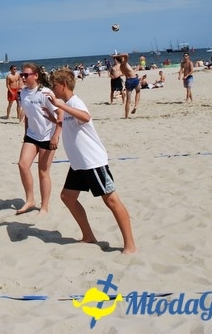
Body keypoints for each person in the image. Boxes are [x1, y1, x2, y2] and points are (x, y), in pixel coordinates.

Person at [46, 69, 137, 254]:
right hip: (79, 164)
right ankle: (88, 236)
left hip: (92, 162)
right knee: (67, 197)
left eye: (54, 86)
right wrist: (53, 118)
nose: (52, 89)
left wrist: (60, 106)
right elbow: (70, 123)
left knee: (112, 201)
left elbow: (86, 117)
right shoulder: (69, 104)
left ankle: (130, 246)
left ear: (63, 85)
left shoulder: (75, 102)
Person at [14, 63, 62, 215]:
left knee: (43, 172)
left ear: (35, 76)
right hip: (32, 135)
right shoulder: (22, 93)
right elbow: (28, 115)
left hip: (48, 136)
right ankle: (30, 200)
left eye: (26, 75)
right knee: (22, 165)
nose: (23, 77)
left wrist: (56, 136)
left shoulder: (45, 93)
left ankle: (44, 207)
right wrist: (26, 132)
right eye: (22, 74)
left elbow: (60, 114)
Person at [113, 53, 140, 118]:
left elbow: (129, 72)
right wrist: (116, 56)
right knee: (138, 92)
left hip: (128, 81)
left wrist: (135, 70)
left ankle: (126, 116)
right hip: (134, 79)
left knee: (128, 100)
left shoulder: (121, 67)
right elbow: (126, 55)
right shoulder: (124, 63)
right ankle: (136, 106)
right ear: (122, 58)